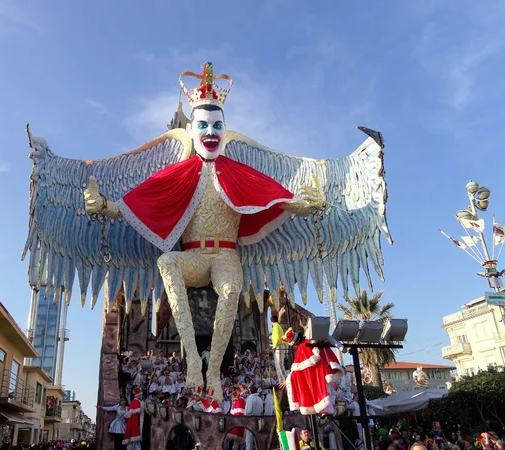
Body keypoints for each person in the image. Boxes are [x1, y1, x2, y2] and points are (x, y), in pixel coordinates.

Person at [84, 62, 326, 401]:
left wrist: (304, 204)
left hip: (226, 255)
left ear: (225, 130)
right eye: (202, 125)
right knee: (167, 261)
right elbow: (143, 202)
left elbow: (273, 196)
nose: (210, 131)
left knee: (229, 293)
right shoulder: (181, 173)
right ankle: (192, 364)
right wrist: (105, 205)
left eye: (217, 125)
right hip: (195, 256)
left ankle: (212, 368)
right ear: (191, 130)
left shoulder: (237, 172)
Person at [271, 306, 288, 383]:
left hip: (279, 346)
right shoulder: (277, 326)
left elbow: (277, 338)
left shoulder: (276, 327)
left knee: (280, 364)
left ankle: (285, 379)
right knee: (277, 365)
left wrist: (274, 347)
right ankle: (281, 380)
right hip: (278, 346)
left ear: (271, 321)